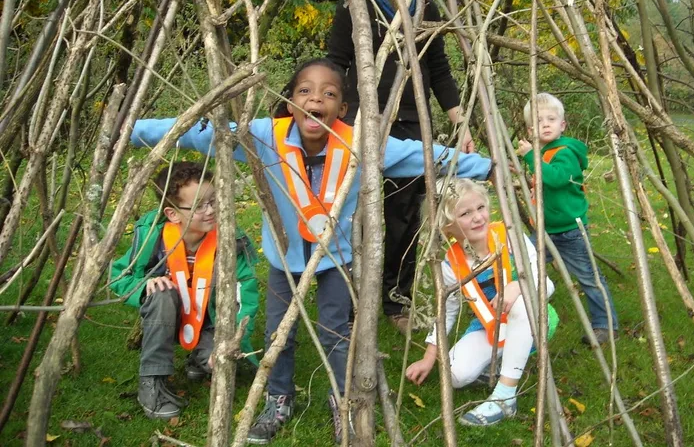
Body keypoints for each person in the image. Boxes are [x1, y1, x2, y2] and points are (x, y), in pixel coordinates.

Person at [129, 58, 492, 444]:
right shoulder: (265, 136)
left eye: (329, 93)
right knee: (278, 334)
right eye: (305, 90)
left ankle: (343, 402)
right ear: (289, 101)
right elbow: (201, 132)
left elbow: (422, 154)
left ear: (343, 109)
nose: (315, 99)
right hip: (283, 259)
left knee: (337, 330)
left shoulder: (361, 144)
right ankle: (278, 398)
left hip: (336, 259)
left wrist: (488, 167)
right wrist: (133, 131)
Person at [326, 0, 475, 334]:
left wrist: (459, 124)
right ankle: (352, 301)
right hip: (360, 122)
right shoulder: (356, 2)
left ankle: (396, 299)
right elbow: (336, 61)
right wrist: (332, 114)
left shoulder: (425, 7)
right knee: (353, 212)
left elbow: (440, 71)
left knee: (405, 216)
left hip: (412, 124)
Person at [110, 161, 259, 419]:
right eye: (199, 205)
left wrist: (234, 341)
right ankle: (152, 382)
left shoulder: (230, 240)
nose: (211, 210)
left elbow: (243, 294)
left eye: (213, 200)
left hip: (210, 322)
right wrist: (143, 286)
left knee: (226, 366)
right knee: (161, 294)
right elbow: (118, 277)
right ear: (173, 214)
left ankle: (201, 358)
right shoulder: (152, 237)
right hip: (169, 316)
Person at [405, 179, 558, 427]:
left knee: (520, 305)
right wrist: (429, 356)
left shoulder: (510, 236)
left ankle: (505, 396)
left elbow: (547, 285)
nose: (478, 217)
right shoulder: (451, 264)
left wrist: (517, 286)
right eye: (465, 213)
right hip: (491, 327)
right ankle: (503, 363)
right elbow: (448, 312)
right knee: (455, 373)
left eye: (480, 208)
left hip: (534, 318)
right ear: (446, 226)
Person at [517, 92, 618, 345]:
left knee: (588, 277)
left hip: (569, 231)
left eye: (552, 119)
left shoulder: (565, 152)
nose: (546, 124)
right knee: (525, 265)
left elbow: (557, 178)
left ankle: (606, 324)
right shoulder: (544, 152)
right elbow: (543, 182)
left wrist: (531, 156)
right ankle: (522, 315)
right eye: (539, 121)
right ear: (531, 130)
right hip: (545, 229)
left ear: (562, 125)